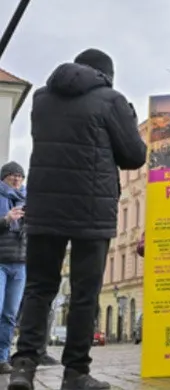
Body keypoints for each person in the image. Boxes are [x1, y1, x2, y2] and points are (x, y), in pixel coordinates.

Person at [9, 49, 147, 390]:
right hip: (90, 209)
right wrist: (127, 117)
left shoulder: (41, 99)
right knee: (85, 293)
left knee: (39, 288)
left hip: (44, 207)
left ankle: (23, 368)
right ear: (106, 75)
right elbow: (133, 156)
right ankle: (75, 374)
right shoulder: (112, 100)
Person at [0, 163, 26, 374]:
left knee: (10, 314)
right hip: (0, 261)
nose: (16, 180)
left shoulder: (27, 200)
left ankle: (2, 358)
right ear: (4, 178)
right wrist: (6, 220)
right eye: (12, 176)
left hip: (20, 264)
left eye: (20, 176)